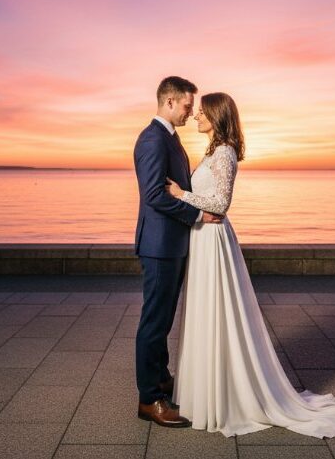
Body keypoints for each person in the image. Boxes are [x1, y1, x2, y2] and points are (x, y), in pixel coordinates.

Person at [165, 92, 335, 438]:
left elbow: (221, 204)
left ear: (216, 115)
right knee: (205, 312)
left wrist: (181, 195)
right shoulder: (212, 151)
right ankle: (206, 392)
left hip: (214, 239)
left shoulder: (224, 154)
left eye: (202, 113)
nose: (196, 117)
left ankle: (224, 396)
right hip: (202, 238)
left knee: (217, 312)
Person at [133, 76, 223, 428]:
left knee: (164, 318)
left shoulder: (169, 137)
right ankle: (148, 399)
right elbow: (154, 195)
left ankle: (161, 379)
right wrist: (199, 214)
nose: (190, 112)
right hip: (159, 246)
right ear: (169, 102)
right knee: (154, 321)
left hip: (172, 243)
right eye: (187, 106)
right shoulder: (152, 139)